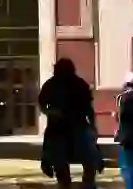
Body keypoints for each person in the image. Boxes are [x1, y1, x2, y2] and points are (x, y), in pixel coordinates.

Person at [38, 58, 101, 189]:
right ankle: (84, 180)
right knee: (86, 158)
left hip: (66, 127)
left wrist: (50, 112)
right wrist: (93, 126)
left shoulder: (56, 84)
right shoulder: (61, 84)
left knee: (61, 159)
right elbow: (89, 109)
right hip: (68, 126)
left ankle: (55, 171)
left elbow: (42, 104)